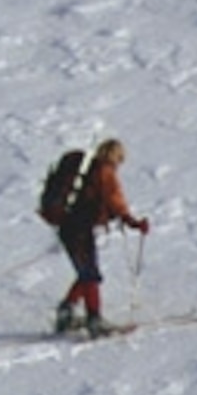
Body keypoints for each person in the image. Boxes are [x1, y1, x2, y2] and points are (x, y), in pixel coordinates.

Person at [52, 136, 150, 335]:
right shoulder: (105, 172)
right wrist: (133, 222)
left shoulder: (88, 169)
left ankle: (66, 311)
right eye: (120, 158)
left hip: (67, 227)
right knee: (90, 275)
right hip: (80, 230)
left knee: (86, 273)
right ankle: (94, 320)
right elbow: (115, 200)